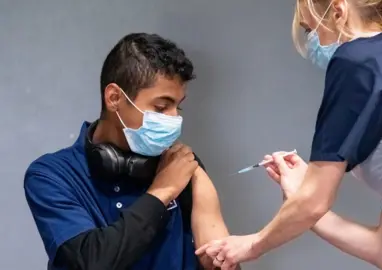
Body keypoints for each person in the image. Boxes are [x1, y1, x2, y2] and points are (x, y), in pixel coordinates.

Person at [195, 0, 382, 269]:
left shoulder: (356, 60)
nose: (313, 41)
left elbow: (315, 200)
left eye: (311, 30)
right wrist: (301, 196)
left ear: (338, 11)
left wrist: (252, 244)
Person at [24, 33, 234, 270]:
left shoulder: (181, 165)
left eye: (178, 105)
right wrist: (162, 191)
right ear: (114, 98)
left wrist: (222, 260)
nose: (175, 118)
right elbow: (91, 262)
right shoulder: (52, 175)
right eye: (161, 107)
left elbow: (217, 256)